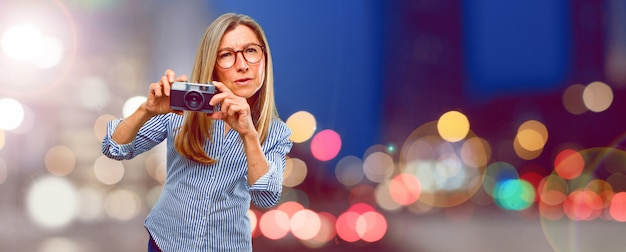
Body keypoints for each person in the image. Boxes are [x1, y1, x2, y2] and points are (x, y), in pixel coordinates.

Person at [101, 13, 293, 251]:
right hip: (166, 243)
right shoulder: (183, 109)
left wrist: (249, 135)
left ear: (264, 58)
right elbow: (113, 148)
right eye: (226, 55)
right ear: (212, 65)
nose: (243, 65)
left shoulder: (276, 132)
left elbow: (267, 197)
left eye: (251, 51)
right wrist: (146, 110)